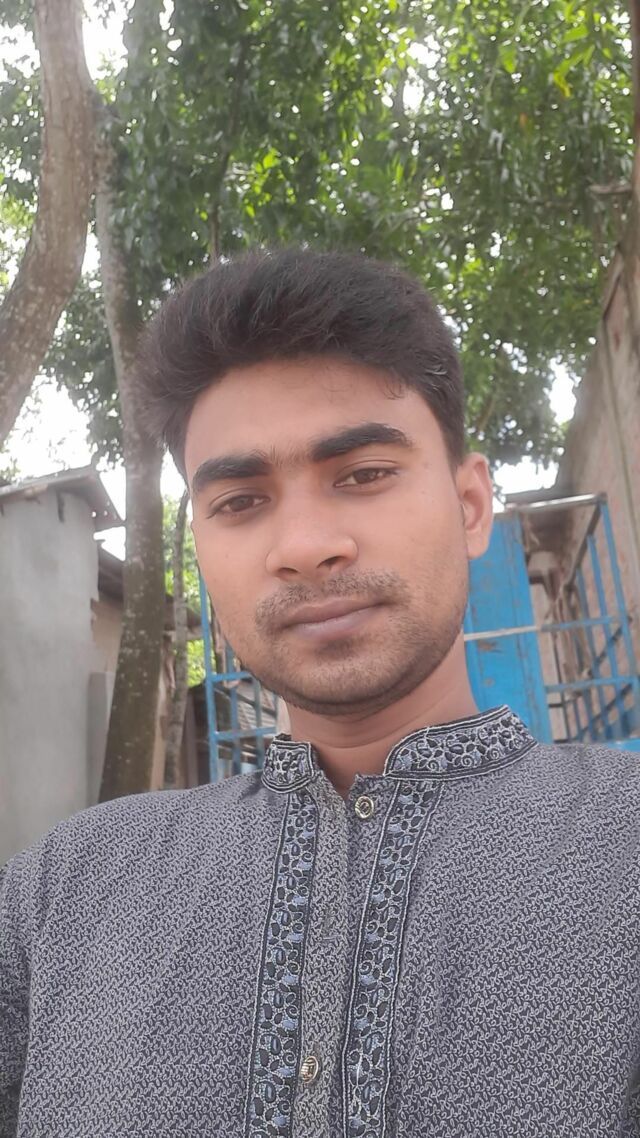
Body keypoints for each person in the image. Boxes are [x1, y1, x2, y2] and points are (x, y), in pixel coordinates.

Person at [1, 248, 639, 1138]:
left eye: (363, 474)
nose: (304, 545)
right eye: (239, 501)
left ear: (470, 506)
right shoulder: (58, 893)